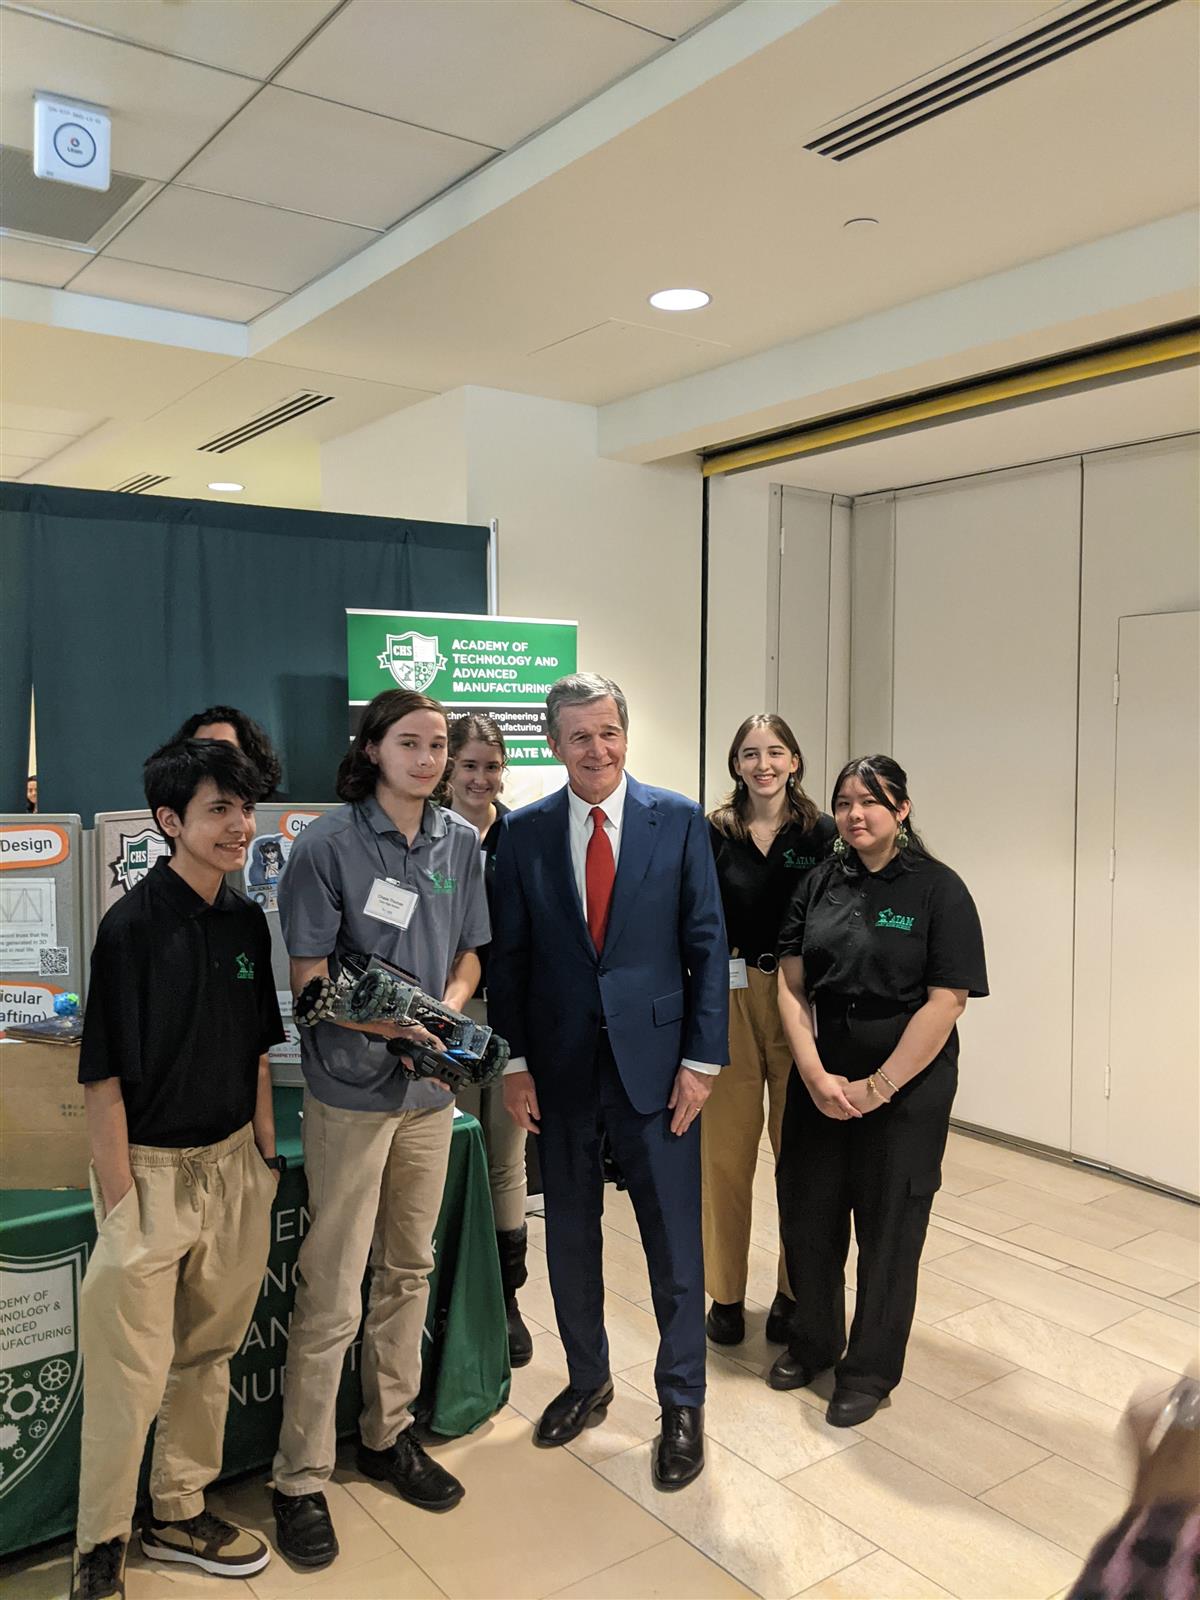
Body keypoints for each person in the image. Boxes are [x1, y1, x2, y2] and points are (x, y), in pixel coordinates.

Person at [489, 672, 728, 1491]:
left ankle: (682, 1402)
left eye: (609, 732)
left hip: (659, 1071)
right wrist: (516, 1063)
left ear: (627, 736)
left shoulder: (680, 820)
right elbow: (511, 962)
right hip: (558, 1070)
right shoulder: (521, 834)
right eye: (580, 736)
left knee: (673, 1243)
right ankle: (587, 1379)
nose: (598, 749)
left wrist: (702, 1062)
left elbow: (706, 943)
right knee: (571, 1235)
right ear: (553, 744)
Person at [270, 689, 490, 1570]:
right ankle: (299, 1477)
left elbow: (471, 952)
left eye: (439, 744)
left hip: (429, 1100)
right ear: (371, 749)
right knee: (332, 1287)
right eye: (411, 742)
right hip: (351, 1093)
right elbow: (311, 984)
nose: (429, 757)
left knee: (410, 1268)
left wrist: (445, 1015)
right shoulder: (327, 845)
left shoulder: (461, 843)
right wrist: (392, 1027)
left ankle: (386, 1433)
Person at [73, 739, 285, 1600]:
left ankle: (180, 1509)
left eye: (244, 809)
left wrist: (265, 1159)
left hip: (235, 1165)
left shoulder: (246, 920)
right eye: (218, 811)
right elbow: (102, 1079)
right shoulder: (128, 929)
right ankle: (101, 1548)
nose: (240, 827)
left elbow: (260, 1052)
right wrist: (122, 1203)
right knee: (128, 1377)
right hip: (150, 1177)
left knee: (209, 1353)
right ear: (171, 823)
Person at [770, 755, 987, 1426]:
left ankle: (868, 1370)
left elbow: (948, 999)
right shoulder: (819, 883)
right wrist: (811, 1070)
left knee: (890, 1228)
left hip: (907, 1090)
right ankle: (813, 1342)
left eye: (871, 801)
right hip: (822, 1077)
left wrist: (879, 1086)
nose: (855, 814)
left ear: (902, 810)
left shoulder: (937, 889)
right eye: (844, 802)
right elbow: (788, 979)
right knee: (808, 1213)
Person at [704, 714, 835, 1348]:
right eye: (751, 753)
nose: (763, 764)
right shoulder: (713, 833)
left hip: (799, 999)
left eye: (775, 752)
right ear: (735, 764)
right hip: (728, 996)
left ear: (795, 761)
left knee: (798, 1154)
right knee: (724, 1154)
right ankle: (725, 1293)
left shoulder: (823, 833)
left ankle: (792, 1290)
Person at [445, 713, 531, 1367]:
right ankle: (451, 1294)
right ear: (450, 768)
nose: (481, 778)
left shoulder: (522, 838)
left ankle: (506, 1299)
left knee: (504, 1156)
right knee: (449, 1152)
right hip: (441, 1016)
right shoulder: (418, 835)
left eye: (492, 767)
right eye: (470, 765)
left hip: (505, 1014)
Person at [170, 704, 282, 800]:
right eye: (202, 747)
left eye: (223, 748)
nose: (210, 755)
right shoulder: (176, 808)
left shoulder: (283, 810)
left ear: (249, 756)